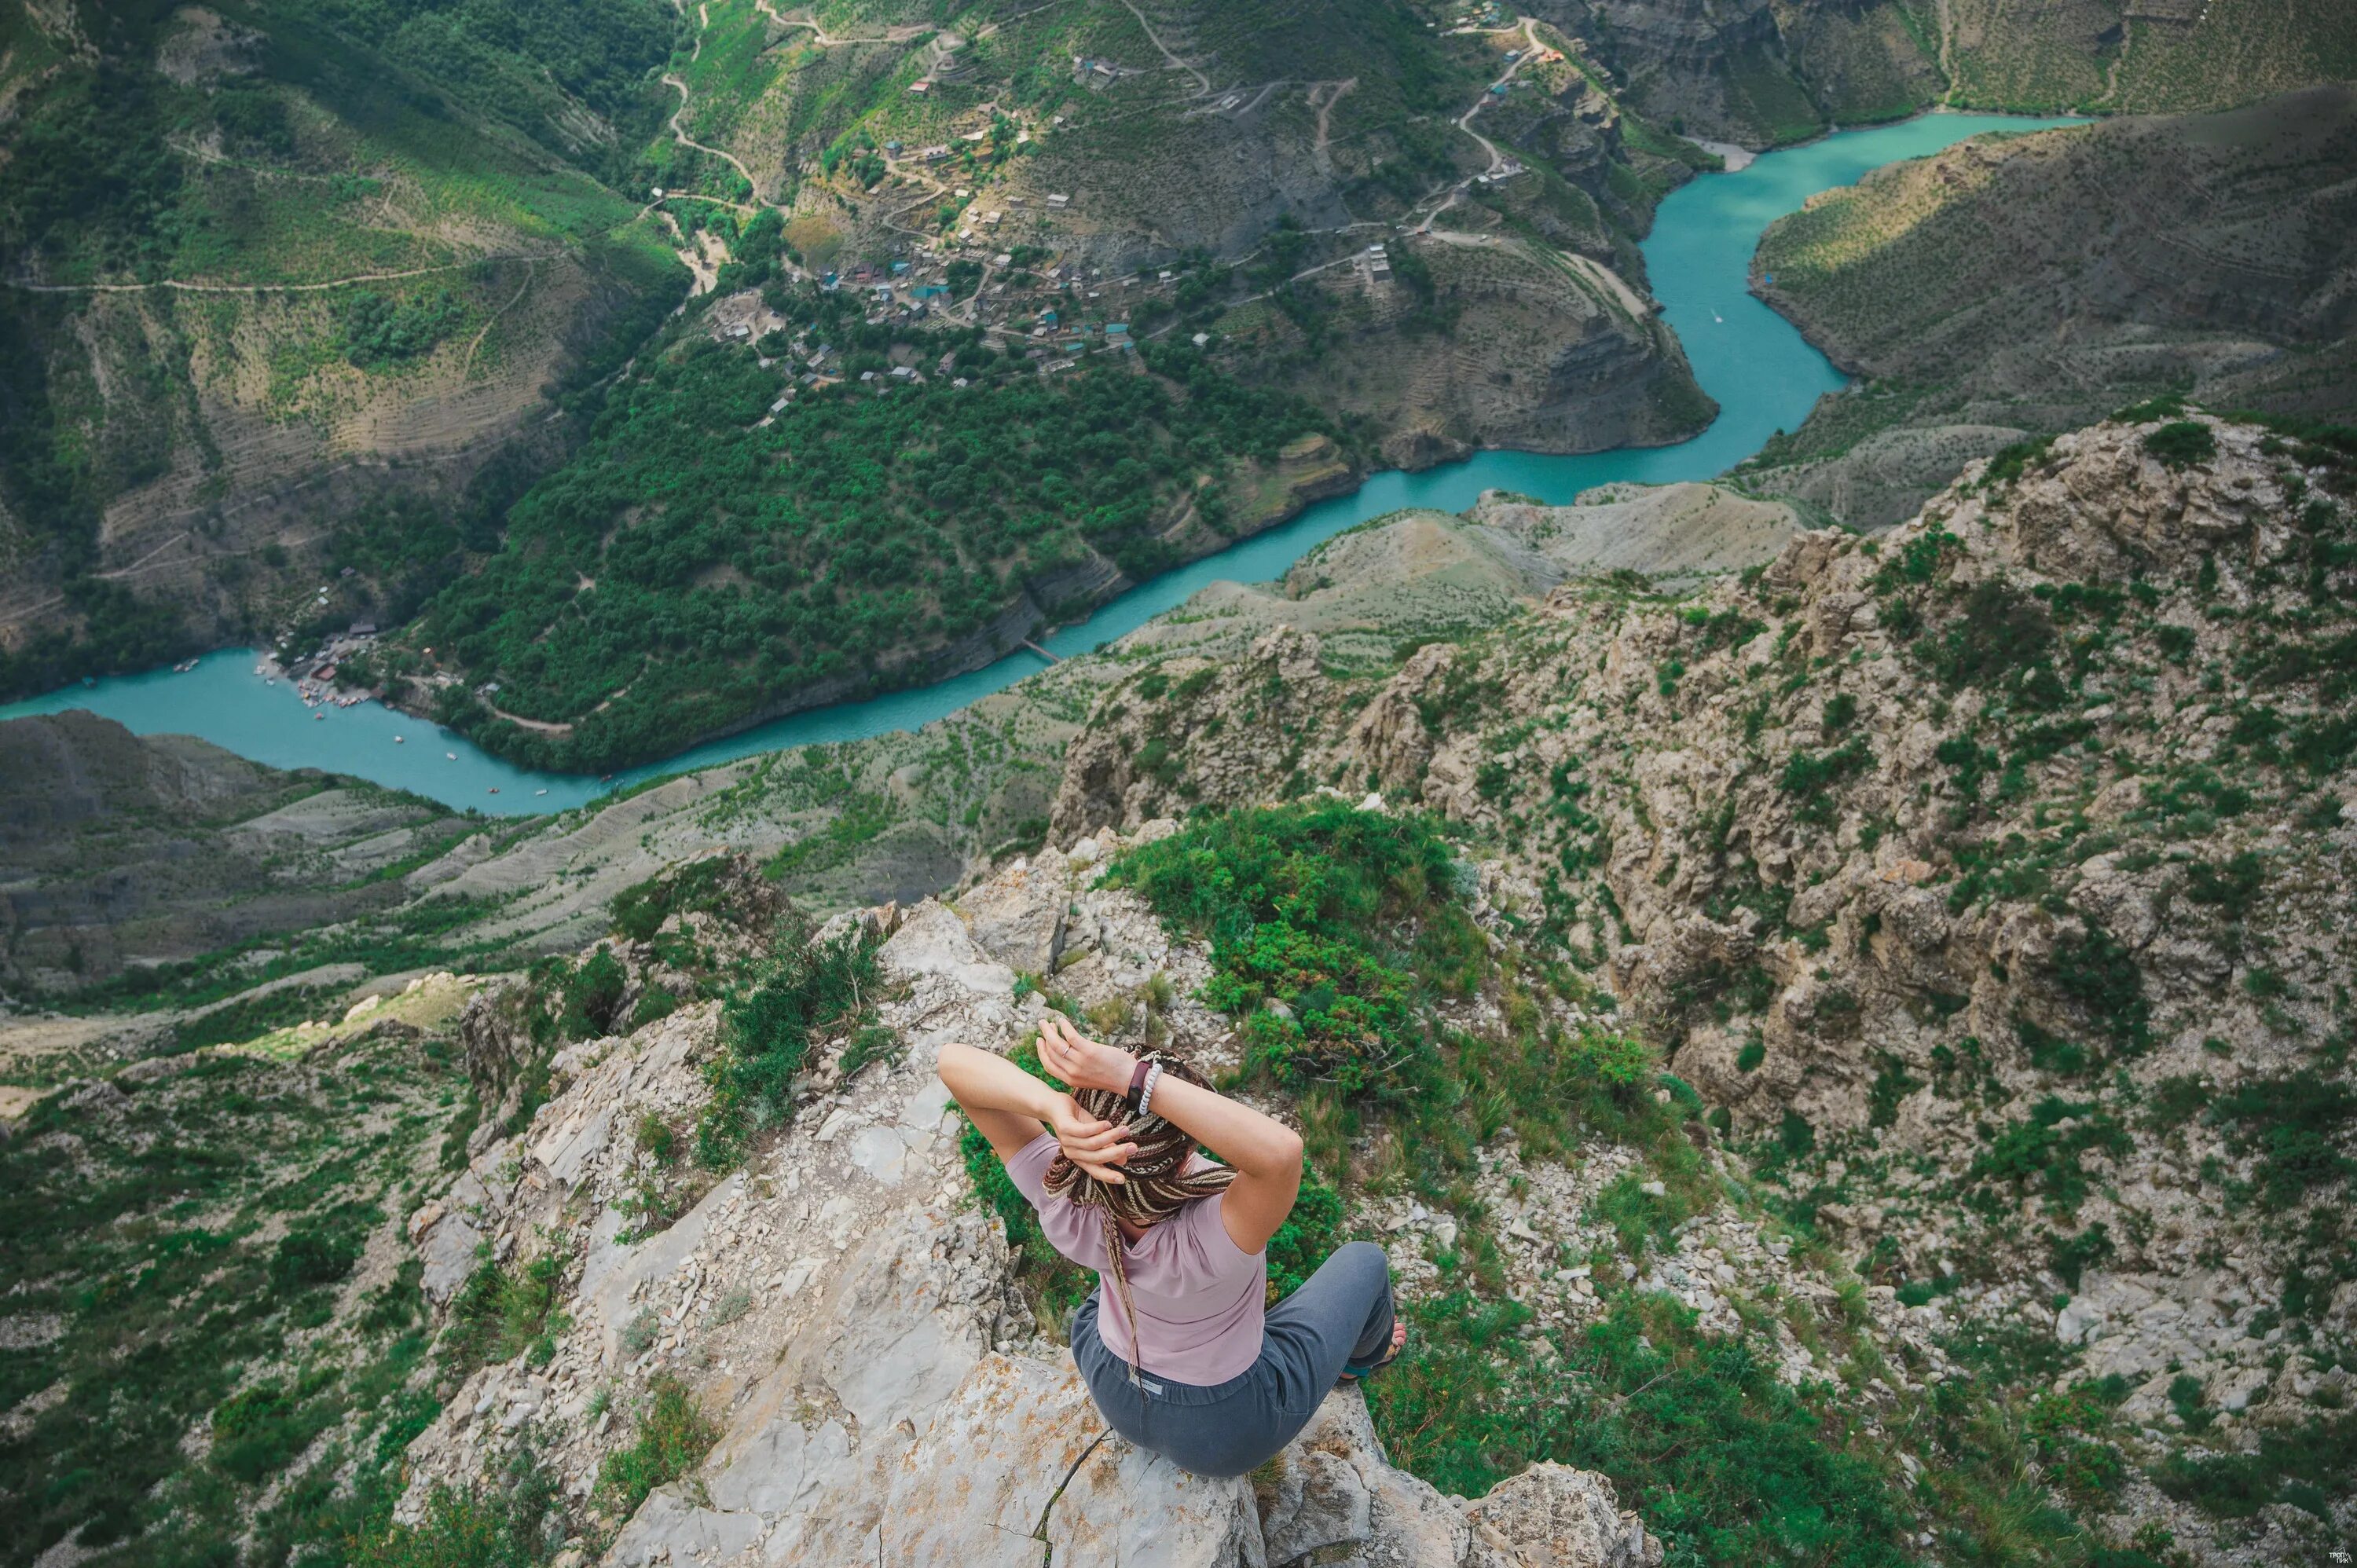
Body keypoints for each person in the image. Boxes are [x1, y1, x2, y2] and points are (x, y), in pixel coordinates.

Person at [937, 1012, 1406, 1478]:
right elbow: (1281, 1153)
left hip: (1113, 1385)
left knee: (1103, 1292)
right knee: (1365, 1261)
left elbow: (952, 1062)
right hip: (1222, 1431)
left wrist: (1056, 1108)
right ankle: (1360, 1362)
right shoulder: (1221, 1226)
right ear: (1186, 1152)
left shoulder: (1063, 1197)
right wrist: (1134, 1077)